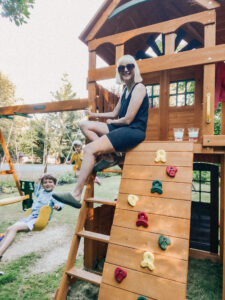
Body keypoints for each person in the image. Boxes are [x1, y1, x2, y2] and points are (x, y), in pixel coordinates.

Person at [53, 54, 149, 208]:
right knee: (85, 125)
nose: (125, 70)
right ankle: (110, 156)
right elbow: (113, 113)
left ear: (134, 69)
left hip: (133, 130)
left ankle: (76, 194)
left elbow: (128, 119)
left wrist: (112, 122)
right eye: (121, 68)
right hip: (121, 126)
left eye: (129, 66)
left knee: (90, 149)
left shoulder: (139, 88)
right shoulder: (125, 90)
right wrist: (93, 115)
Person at [0, 174, 63, 261]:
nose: (47, 184)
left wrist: (58, 206)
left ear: (54, 184)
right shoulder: (41, 192)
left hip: (38, 220)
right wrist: (39, 180)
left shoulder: (54, 195)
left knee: (14, 229)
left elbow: (60, 204)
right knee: (9, 229)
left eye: (50, 182)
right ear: (42, 185)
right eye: (45, 182)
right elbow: (36, 190)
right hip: (30, 217)